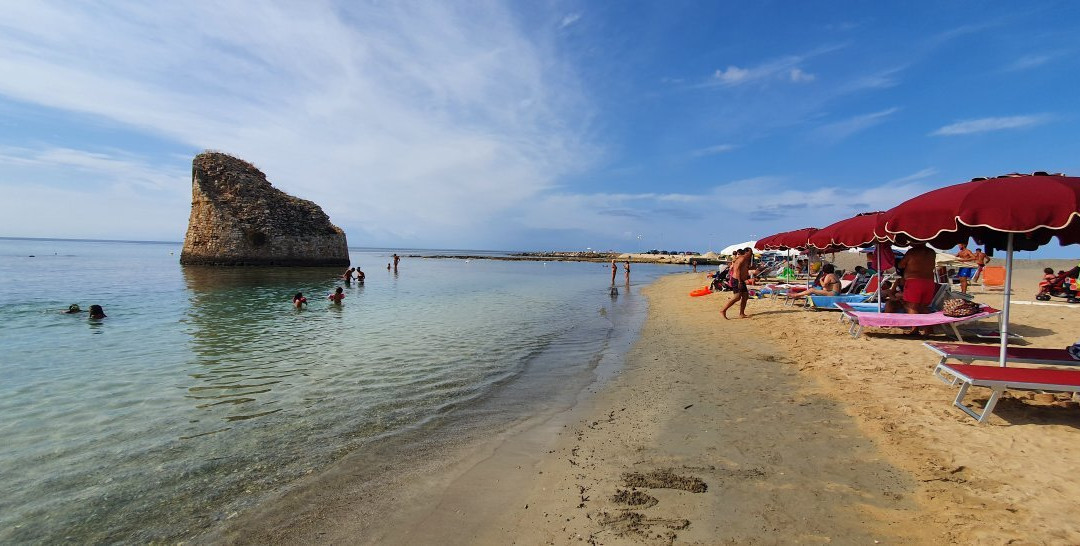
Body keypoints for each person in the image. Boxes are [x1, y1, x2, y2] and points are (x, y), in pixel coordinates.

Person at [896, 242, 936, 332]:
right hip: (929, 281)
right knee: (923, 306)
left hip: (914, 281)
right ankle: (929, 329)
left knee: (912, 306)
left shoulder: (912, 252)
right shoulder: (931, 252)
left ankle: (915, 329)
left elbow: (901, 265)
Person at [720, 248, 752, 319]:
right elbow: (737, 270)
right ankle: (723, 310)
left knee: (745, 296)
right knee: (737, 297)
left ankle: (741, 313)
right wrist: (740, 281)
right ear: (746, 252)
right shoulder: (742, 258)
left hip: (741, 280)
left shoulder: (746, 259)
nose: (751, 253)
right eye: (750, 252)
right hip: (737, 280)